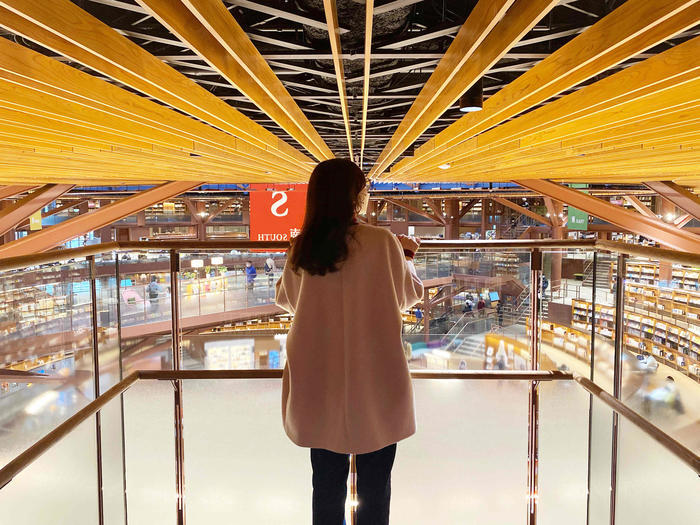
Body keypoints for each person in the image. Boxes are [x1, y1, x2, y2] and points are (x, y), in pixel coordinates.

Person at [275, 158, 423, 525]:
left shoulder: (303, 246)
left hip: (318, 379)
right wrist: (408, 256)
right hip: (376, 377)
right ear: (355, 197)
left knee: (325, 487)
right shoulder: (382, 241)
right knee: (376, 487)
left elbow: (288, 299)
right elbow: (408, 295)